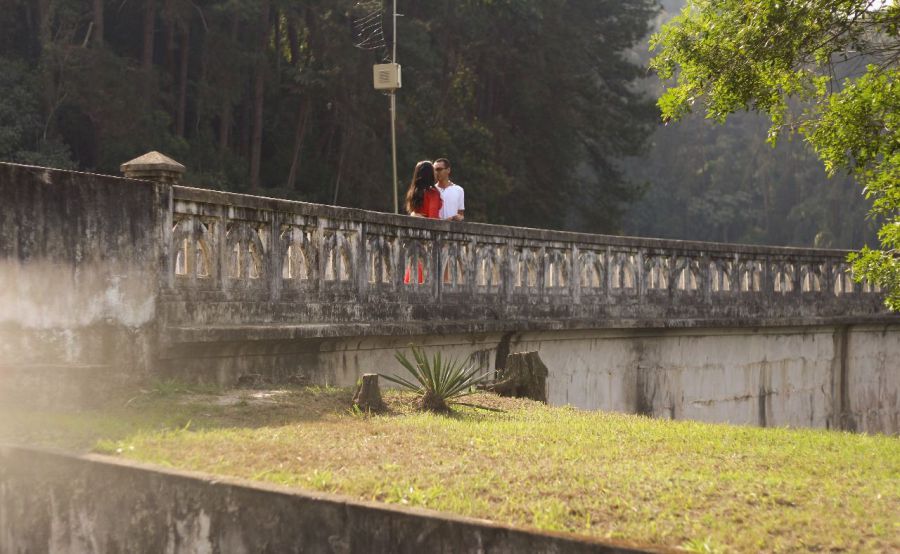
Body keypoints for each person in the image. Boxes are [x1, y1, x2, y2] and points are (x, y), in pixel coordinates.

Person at [403, 160, 440, 284]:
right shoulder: (432, 193)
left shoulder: (413, 192)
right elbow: (433, 219)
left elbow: (414, 212)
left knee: (413, 266)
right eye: (434, 171)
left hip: (413, 235)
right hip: (427, 238)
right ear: (429, 174)